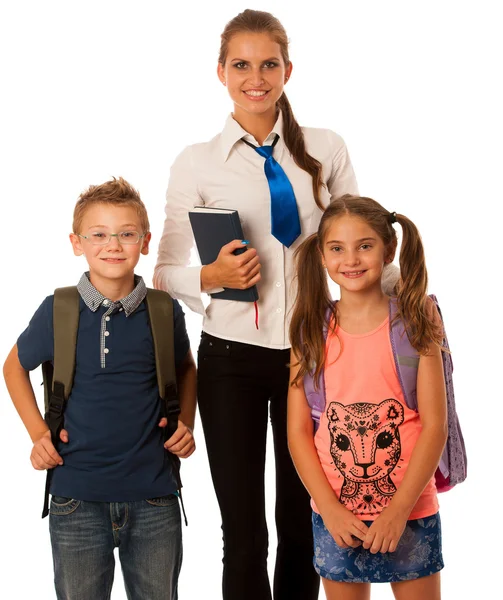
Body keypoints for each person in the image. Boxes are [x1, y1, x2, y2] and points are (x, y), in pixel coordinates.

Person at [154, 8, 365, 600]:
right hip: (230, 361)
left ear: (288, 70)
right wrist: (212, 276)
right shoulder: (196, 162)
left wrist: (405, 301)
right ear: (220, 72)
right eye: (241, 64)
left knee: (303, 524)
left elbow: (361, 245)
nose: (256, 76)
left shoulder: (325, 148)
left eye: (268, 64)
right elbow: (164, 276)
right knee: (244, 533)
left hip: (314, 355)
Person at [3, 177, 197, 600]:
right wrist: (38, 434)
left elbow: (185, 367)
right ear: (77, 243)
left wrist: (186, 421)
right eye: (99, 235)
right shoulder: (59, 308)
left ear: (145, 242)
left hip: (154, 498)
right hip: (76, 498)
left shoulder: (164, 311)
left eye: (126, 234)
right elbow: (14, 367)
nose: (113, 245)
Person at [288, 194, 447, 600]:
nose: (351, 259)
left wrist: (398, 512)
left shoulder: (416, 319)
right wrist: (330, 509)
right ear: (322, 256)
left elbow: (434, 426)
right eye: (337, 248)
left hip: (408, 510)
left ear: (388, 248)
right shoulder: (309, 328)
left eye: (365, 246)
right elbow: (299, 433)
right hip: (336, 516)